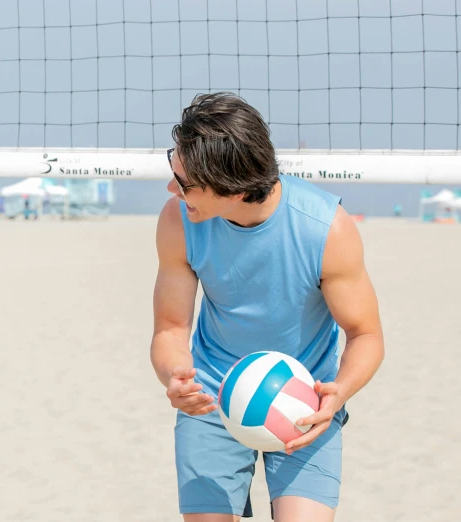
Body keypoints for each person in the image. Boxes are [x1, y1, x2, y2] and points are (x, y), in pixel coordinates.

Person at [151, 92, 384, 521]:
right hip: (211, 398)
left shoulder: (326, 228)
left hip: (305, 403)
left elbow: (365, 334)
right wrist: (176, 378)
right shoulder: (176, 219)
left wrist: (340, 392)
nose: (172, 189)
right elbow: (170, 328)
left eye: (184, 183)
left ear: (232, 187)